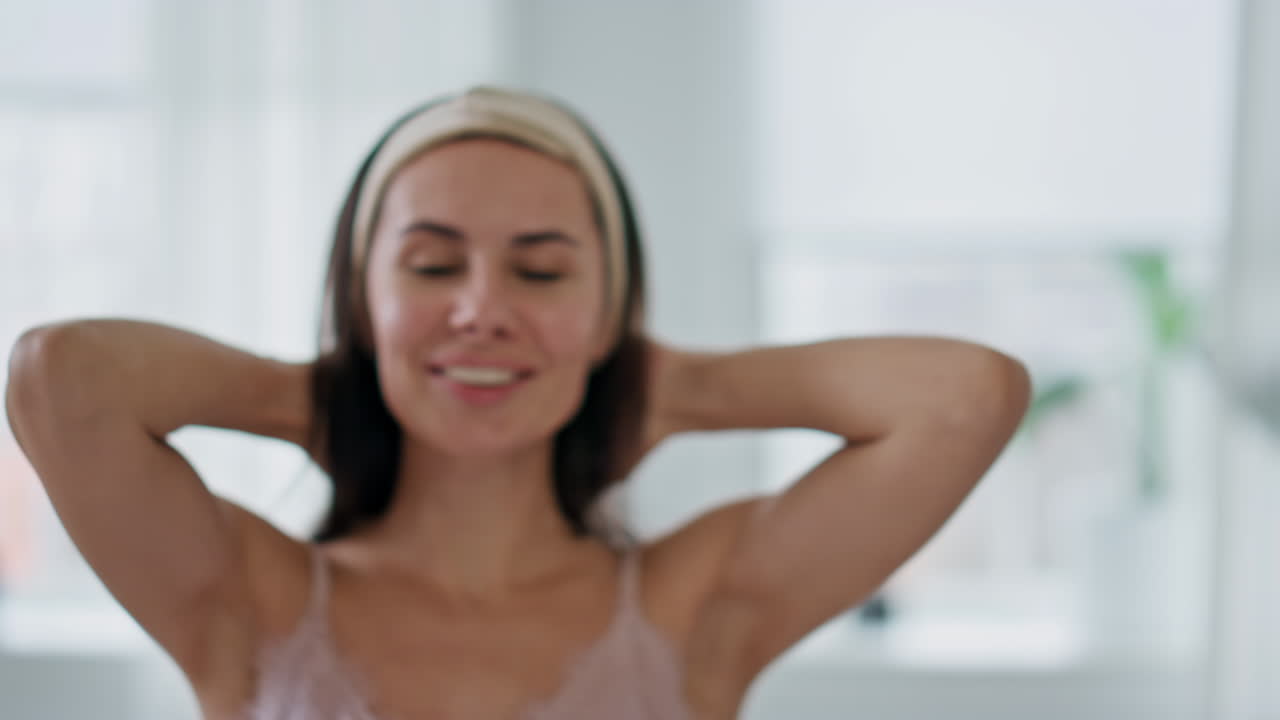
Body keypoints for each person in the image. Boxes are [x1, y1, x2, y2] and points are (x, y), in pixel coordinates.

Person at [4, 86, 1031, 720]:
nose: (481, 310)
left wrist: (667, 387)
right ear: (361, 300)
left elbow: (966, 396)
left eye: (539, 275)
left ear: (608, 313)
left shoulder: (694, 609)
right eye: (431, 265)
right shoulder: (251, 601)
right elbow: (61, 377)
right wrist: (332, 391)